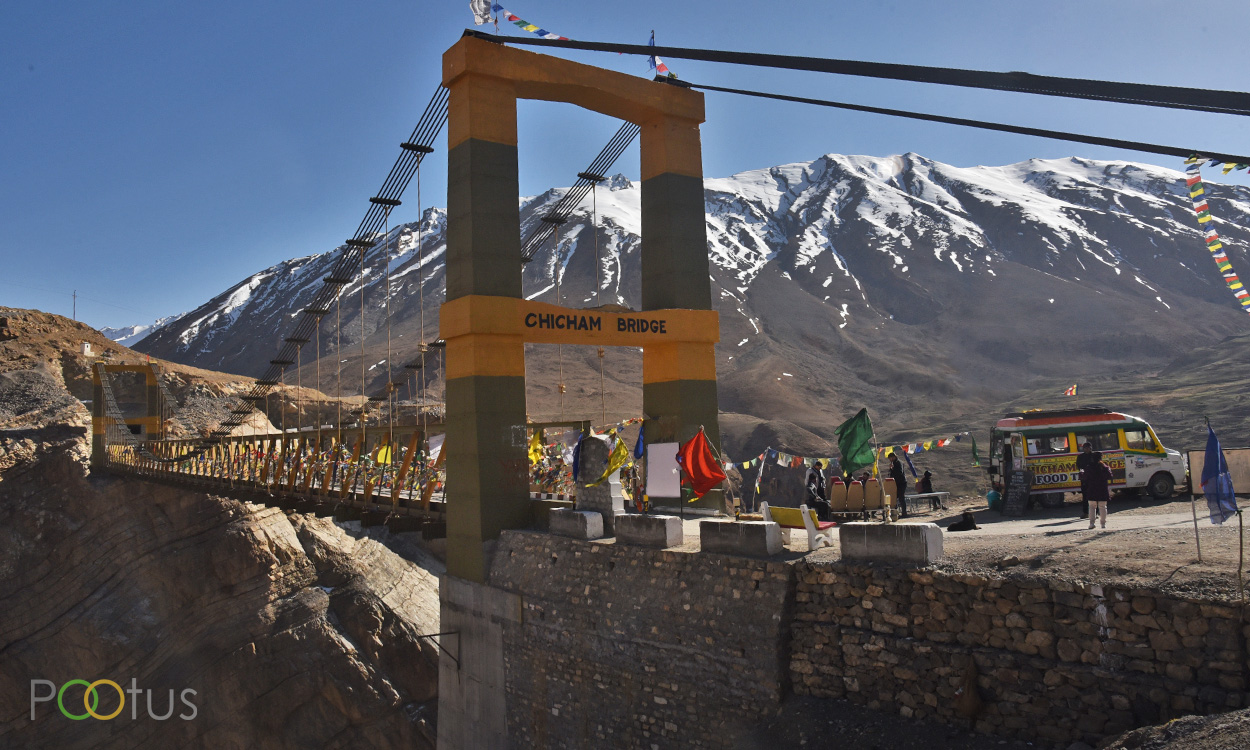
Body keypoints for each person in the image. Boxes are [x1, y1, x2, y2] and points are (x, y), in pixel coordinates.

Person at [1085, 450, 1113, 529]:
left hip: (1092, 489)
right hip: (1102, 489)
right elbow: (1110, 476)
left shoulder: (1088, 467)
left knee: (1091, 506)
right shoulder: (1104, 467)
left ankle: (1091, 523)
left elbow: (1085, 477)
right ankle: (1103, 524)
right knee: (1103, 507)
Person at [1075, 441, 1096, 520]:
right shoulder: (1080, 457)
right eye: (1085, 448)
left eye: (1088, 448)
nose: (1087, 449)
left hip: (1093, 479)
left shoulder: (1094, 456)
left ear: (1091, 448)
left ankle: (1095, 513)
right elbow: (1079, 466)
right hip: (1085, 479)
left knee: (1094, 496)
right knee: (1085, 496)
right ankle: (1086, 513)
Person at [888, 452, 908, 518]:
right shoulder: (894, 463)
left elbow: (899, 472)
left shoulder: (898, 462)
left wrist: (892, 468)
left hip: (901, 482)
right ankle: (894, 512)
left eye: (890, 458)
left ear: (893, 457)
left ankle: (904, 513)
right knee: (894, 497)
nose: (890, 460)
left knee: (901, 497)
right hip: (896, 483)